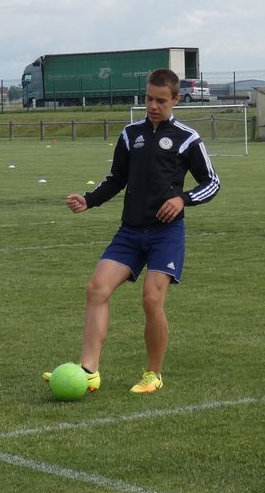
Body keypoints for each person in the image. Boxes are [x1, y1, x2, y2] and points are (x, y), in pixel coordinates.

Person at [65, 68, 220, 393]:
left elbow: (212, 182)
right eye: (149, 98)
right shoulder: (130, 134)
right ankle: (89, 370)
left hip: (166, 234)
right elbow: (116, 179)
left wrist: (182, 199)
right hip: (130, 232)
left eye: (161, 100)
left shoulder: (187, 138)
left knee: (151, 299)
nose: (153, 106)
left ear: (175, 100)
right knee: (96, 289)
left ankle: (153, 374)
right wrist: (88, 200)